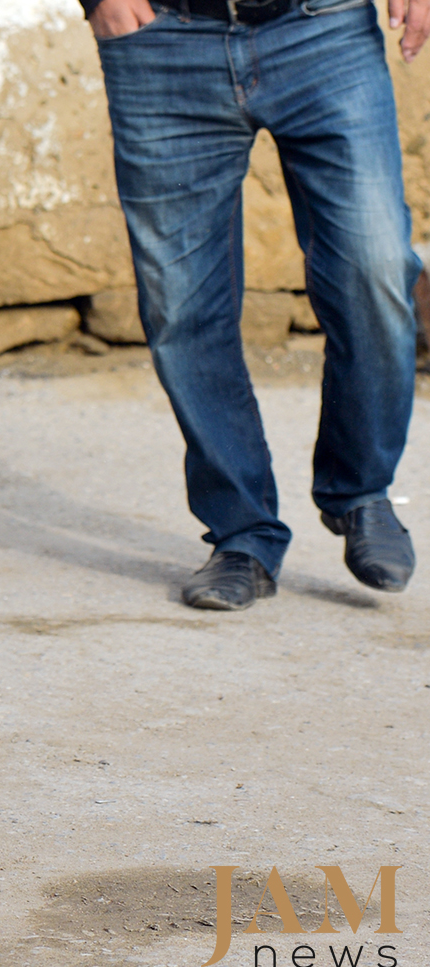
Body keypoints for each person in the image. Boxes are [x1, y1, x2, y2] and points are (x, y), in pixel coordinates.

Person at [83, 0, 428, 609]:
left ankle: (360, 492)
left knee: (374, 269)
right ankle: (243, 535)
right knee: (182, 308)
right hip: (164, 43)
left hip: (323, 26)